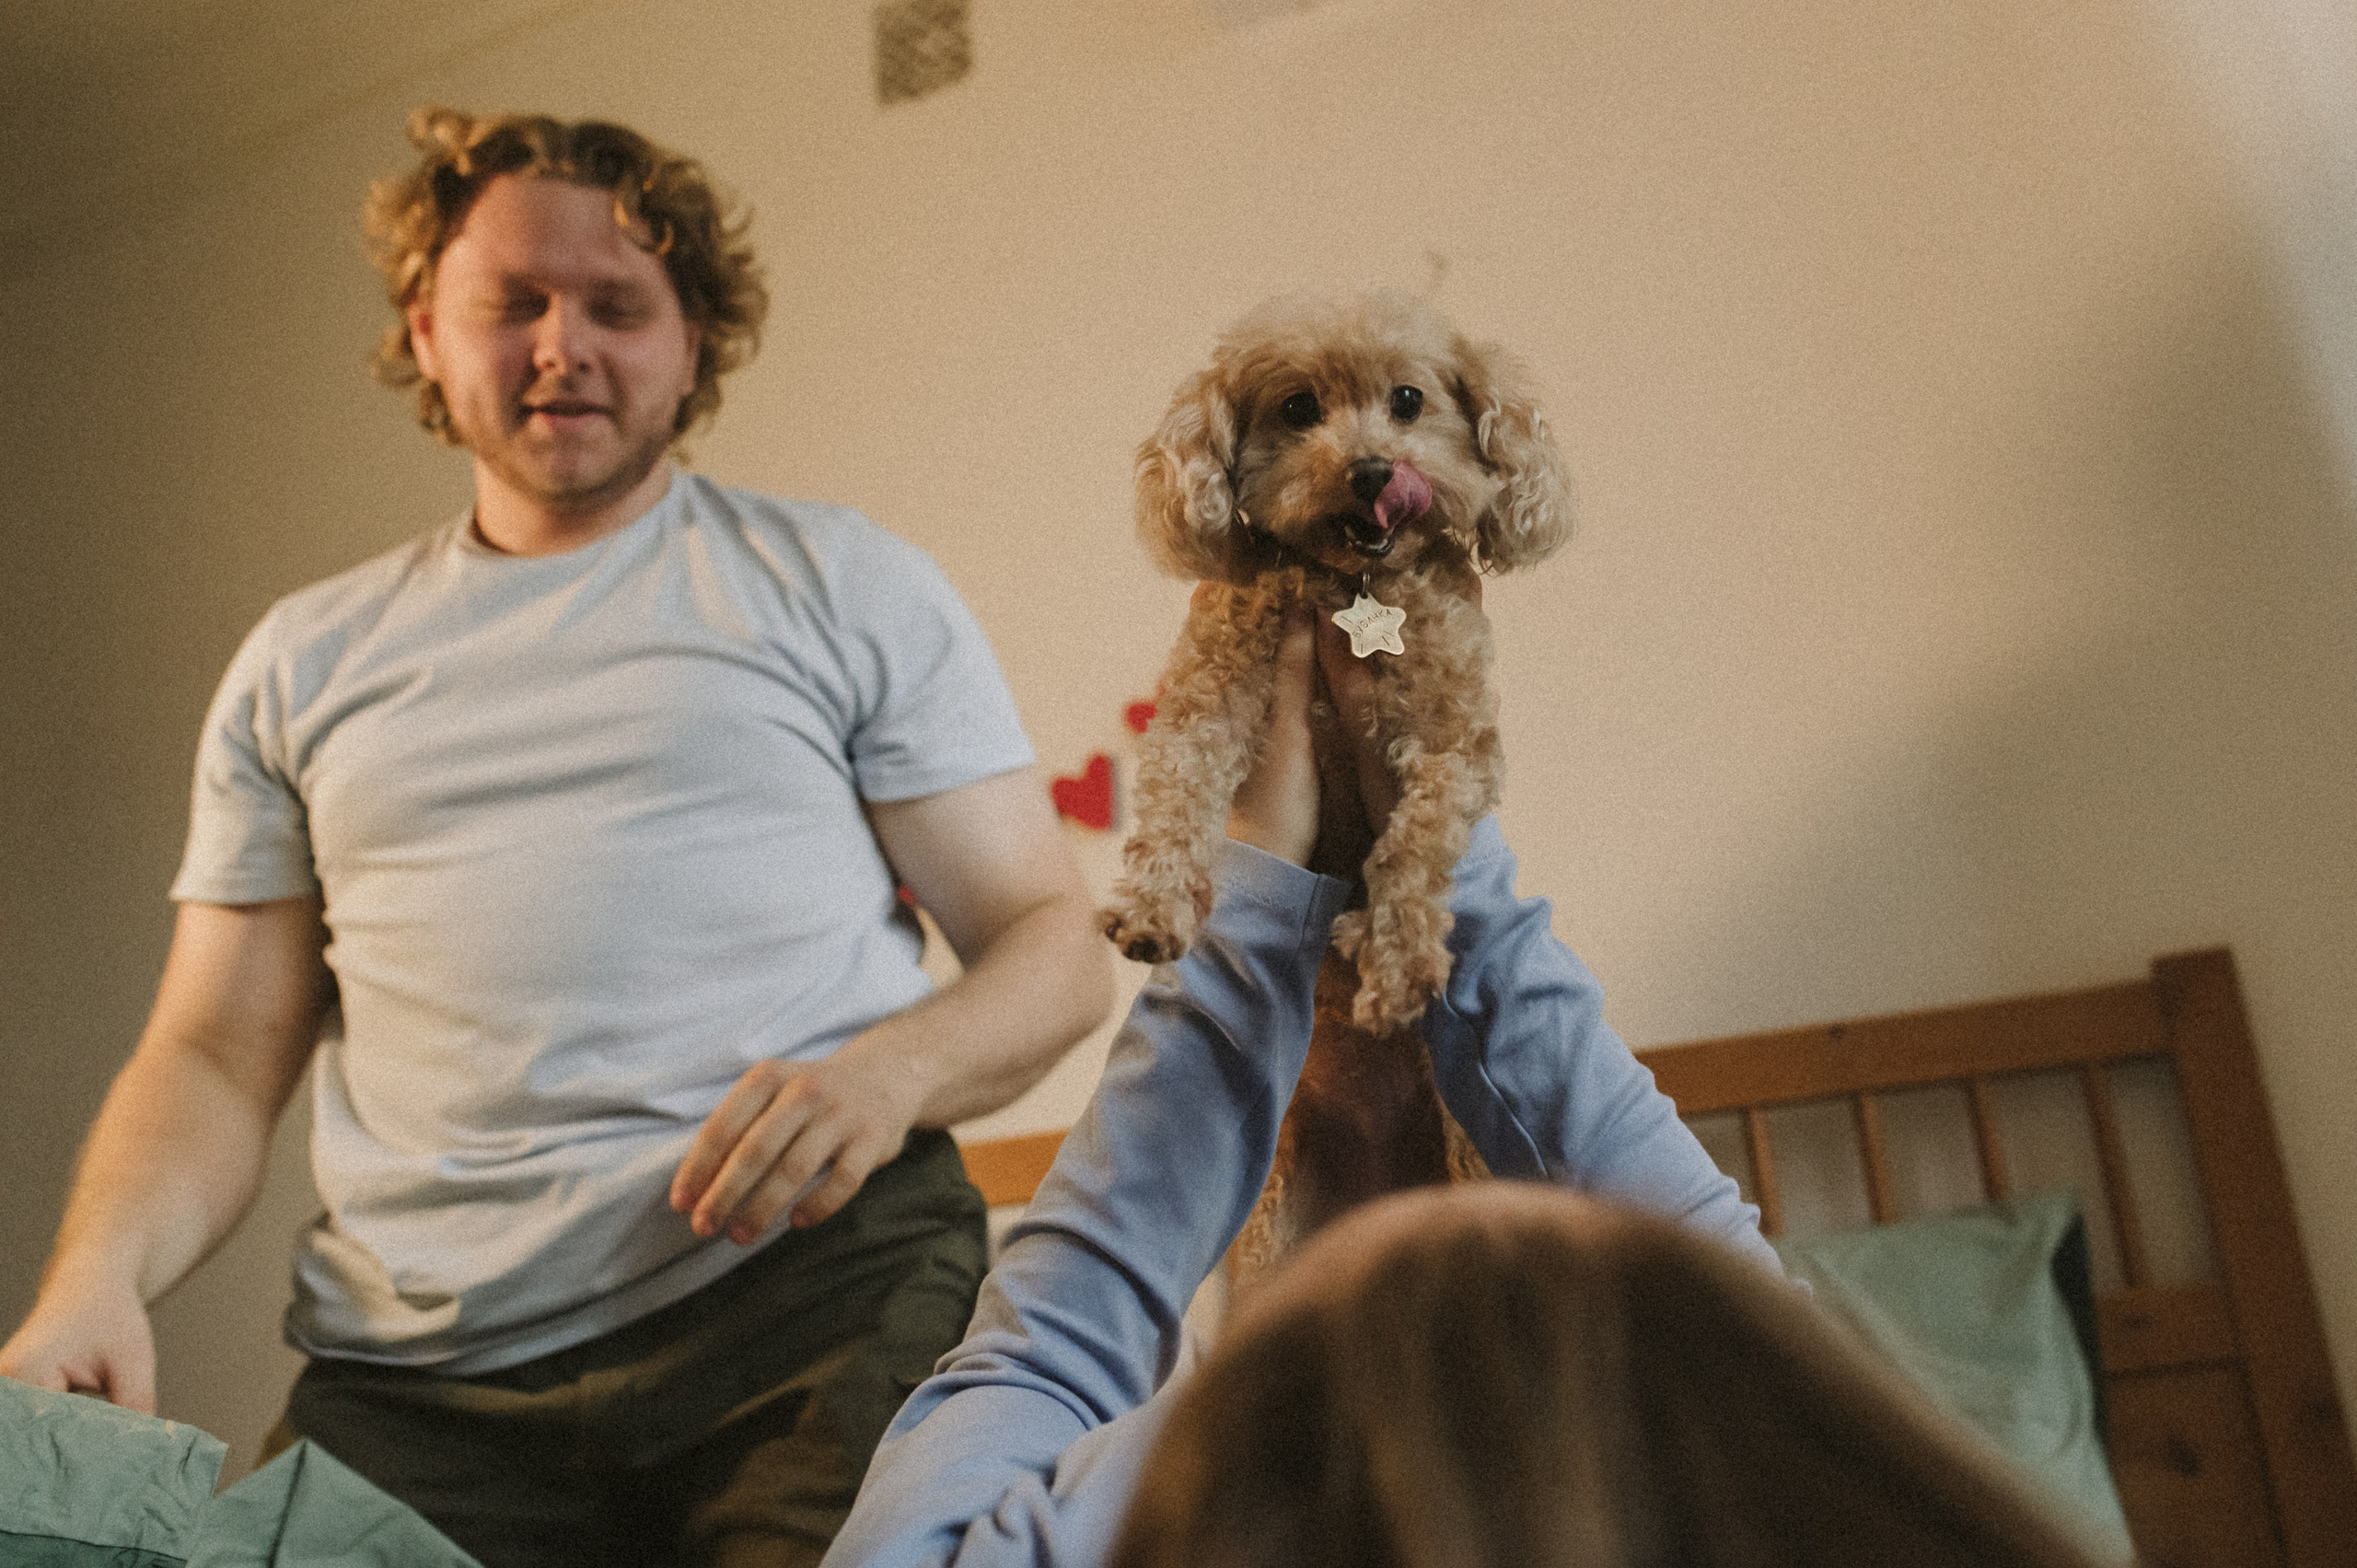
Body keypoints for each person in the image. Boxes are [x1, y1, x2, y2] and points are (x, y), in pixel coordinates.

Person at [0, 109, 1110, 1568]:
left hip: (809, 1309)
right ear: (426, 329)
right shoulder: (301, 663)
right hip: (417, 1382)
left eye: (616, 305)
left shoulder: (839, 583)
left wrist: (886, 1076)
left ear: (695, 337)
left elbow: (1052, 946)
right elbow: (213, 1052)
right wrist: (96, 1276)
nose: (560, 345)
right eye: (510, 302)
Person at [821, 608, 2113, 1568]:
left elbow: (1041, 1356)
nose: (1410, 1216)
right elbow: (1747, 1332)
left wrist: (1253, 903)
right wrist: (1449, 857)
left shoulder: (1194, 1495)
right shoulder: (1779, 1475)